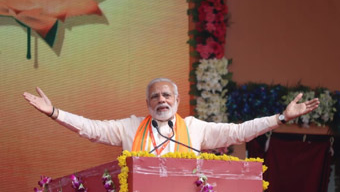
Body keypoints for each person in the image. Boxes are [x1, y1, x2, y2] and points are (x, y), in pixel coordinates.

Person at [23, 77, 320, 156]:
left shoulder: (194, 128)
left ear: (177, 100)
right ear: (147, 102)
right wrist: (55, 112)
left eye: (167, 95)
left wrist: (280, 118)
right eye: (155, 96)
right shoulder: (130, 127)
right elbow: (91, 129)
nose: (161, 99)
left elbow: (238, 132)